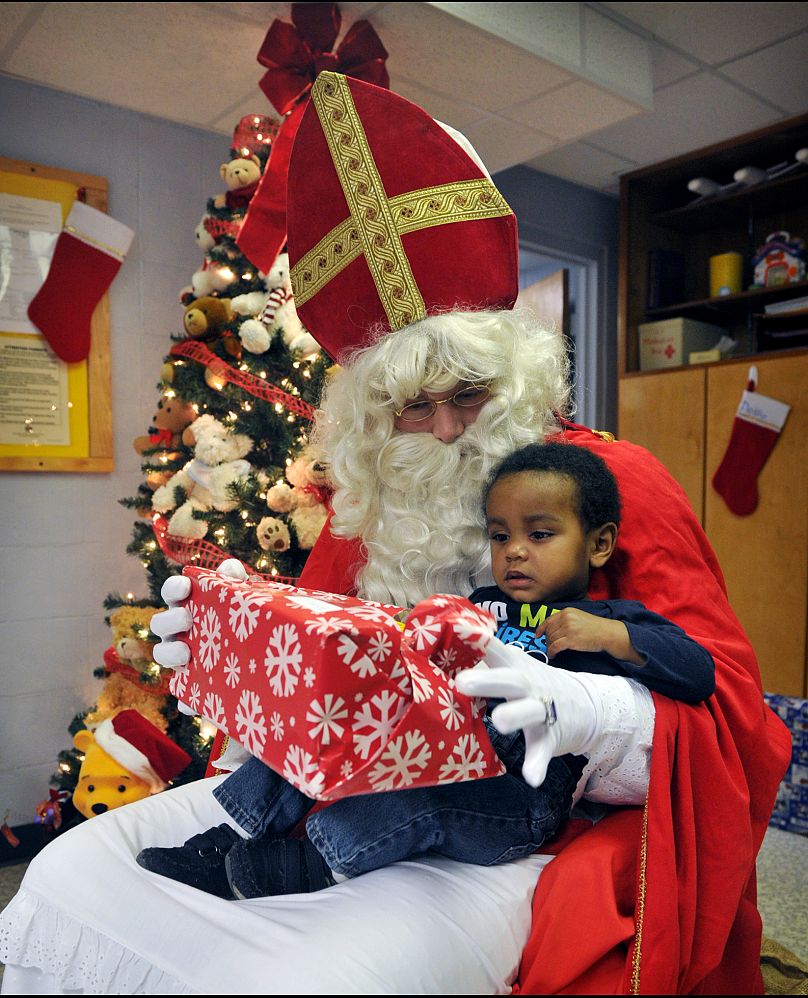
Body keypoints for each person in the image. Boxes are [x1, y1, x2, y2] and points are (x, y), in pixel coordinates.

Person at [0, 71, 790, 995]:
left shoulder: (609, 484)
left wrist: (591, 713)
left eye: (471, 395)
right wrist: (231, 662)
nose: (449, 430)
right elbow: (314, 660)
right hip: (354, 772)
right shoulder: (371, 506)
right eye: (415, 408)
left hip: (515, 815)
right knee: (62, 872)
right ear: (375, 420)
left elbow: (732, 716)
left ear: (517, 378)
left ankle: (282, 867)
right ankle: (252, 846)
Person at [137, 441, 716, 902]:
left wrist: (617, 637)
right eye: (499, 535)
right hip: (448, 744)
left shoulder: (609, 615)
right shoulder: (484, 601)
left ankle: (304, 863)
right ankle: (236, 829)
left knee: (422, 802)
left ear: (598, 545)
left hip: (518, 798)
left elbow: (699, 672)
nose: (514, 550)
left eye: (539, 535)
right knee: (333, 723)